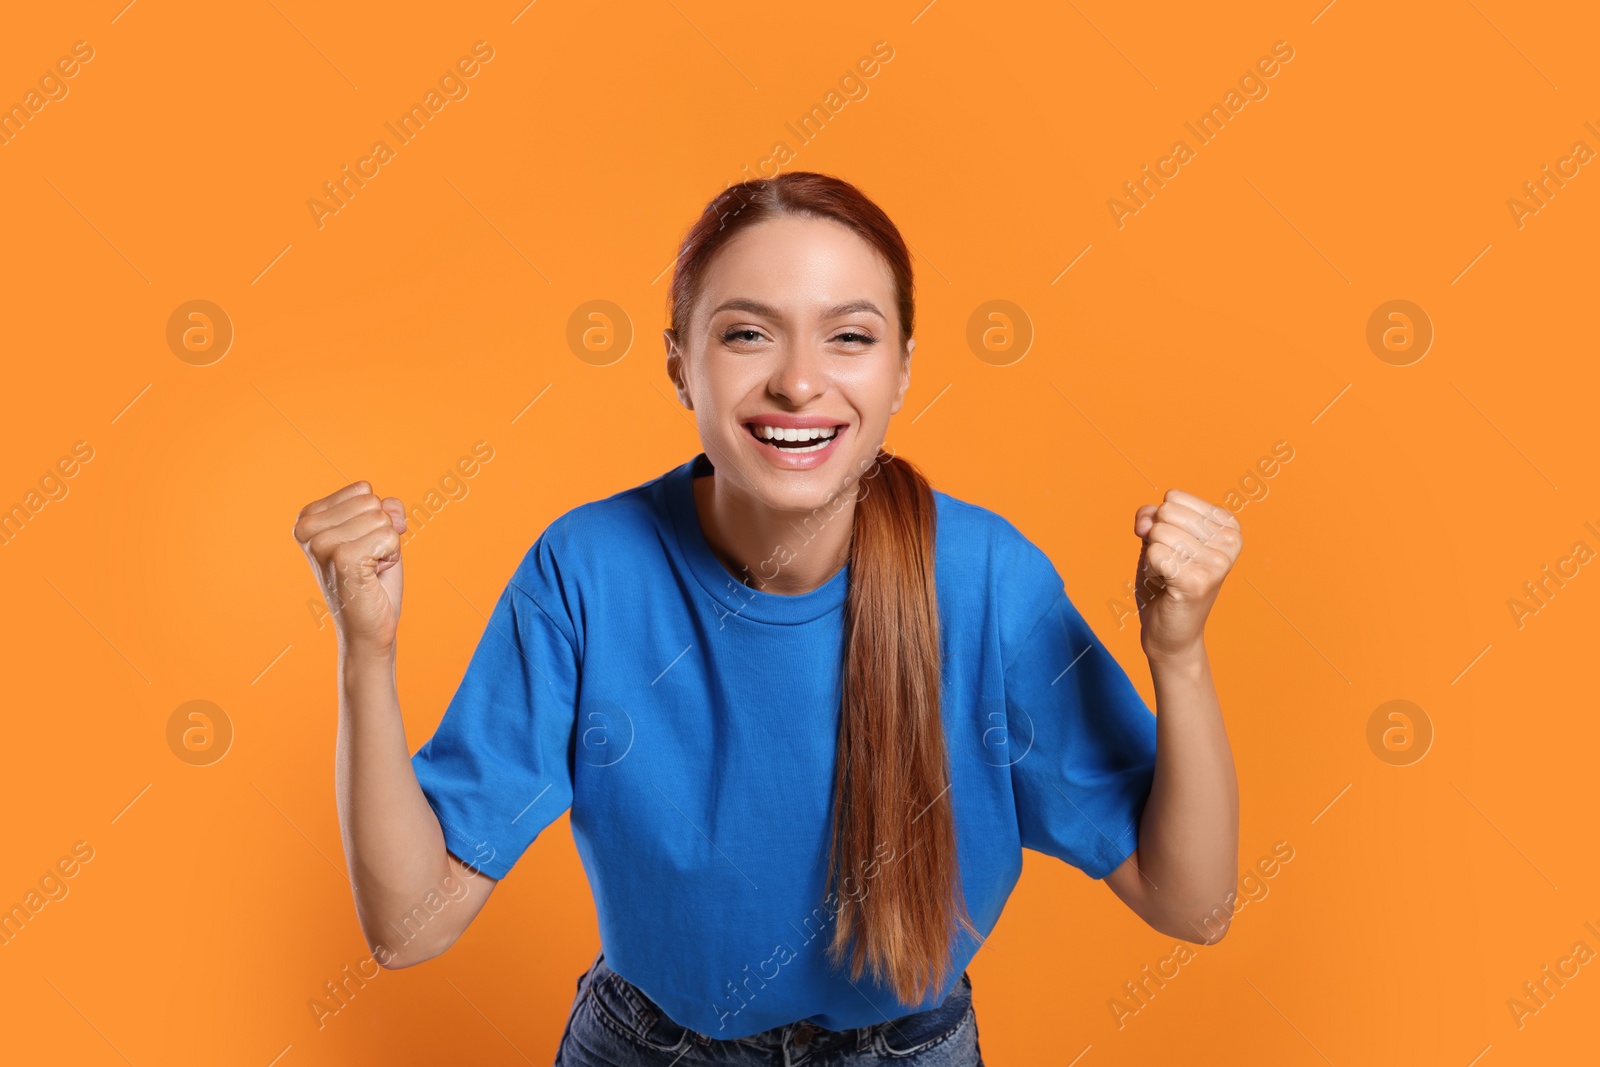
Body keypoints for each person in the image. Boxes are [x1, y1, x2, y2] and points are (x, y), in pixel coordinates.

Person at [293, 171, 1242, 1065]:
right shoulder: (586, 570)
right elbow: (411, 926)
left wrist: (1180, 655)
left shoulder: (991, 582)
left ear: (903, 369)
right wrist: (364, 653)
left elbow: (1190, 904)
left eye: (850, 337)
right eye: (747, 334)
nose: (798, 381)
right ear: (680, 365)